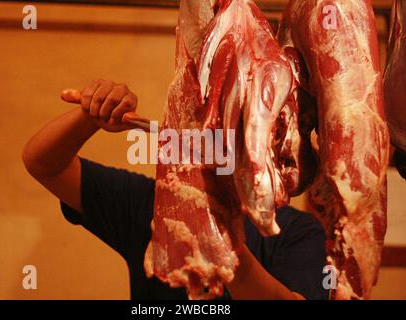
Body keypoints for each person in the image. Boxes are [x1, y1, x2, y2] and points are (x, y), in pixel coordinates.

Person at [23, 79, 329, 300]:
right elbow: (44, 164)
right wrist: (89, 118)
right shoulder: (154, 202)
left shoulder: (296, 230)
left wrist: (222, 244)